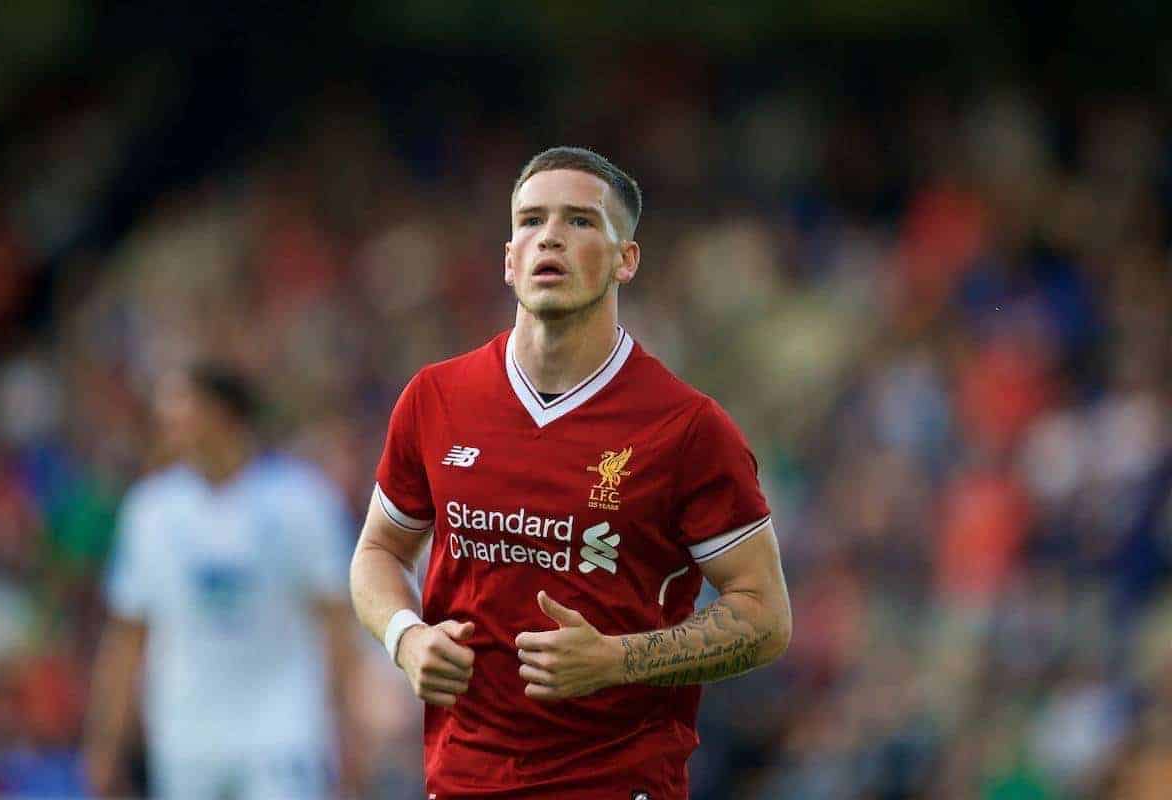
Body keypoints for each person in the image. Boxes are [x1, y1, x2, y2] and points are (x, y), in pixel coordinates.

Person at [350, 146, 792, 799]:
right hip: (462, 778)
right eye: (530, 220)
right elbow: (379, 550)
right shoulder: (435, 398)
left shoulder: (686, 429)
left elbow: (764, 617)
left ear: (626, 259)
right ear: (508, 259)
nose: (549, 236)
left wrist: (617, 659)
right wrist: (404, 635)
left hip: (617, 780)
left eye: (581, 221)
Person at [83, 364, 361, 800]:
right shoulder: (150, 511)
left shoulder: (300, 501)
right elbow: (127, 636)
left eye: (180, 410)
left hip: (282, 730)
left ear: (222, 415)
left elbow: (337, 627)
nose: (167, 424)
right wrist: (104, 745)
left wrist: (349, 733)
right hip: (187, 735)